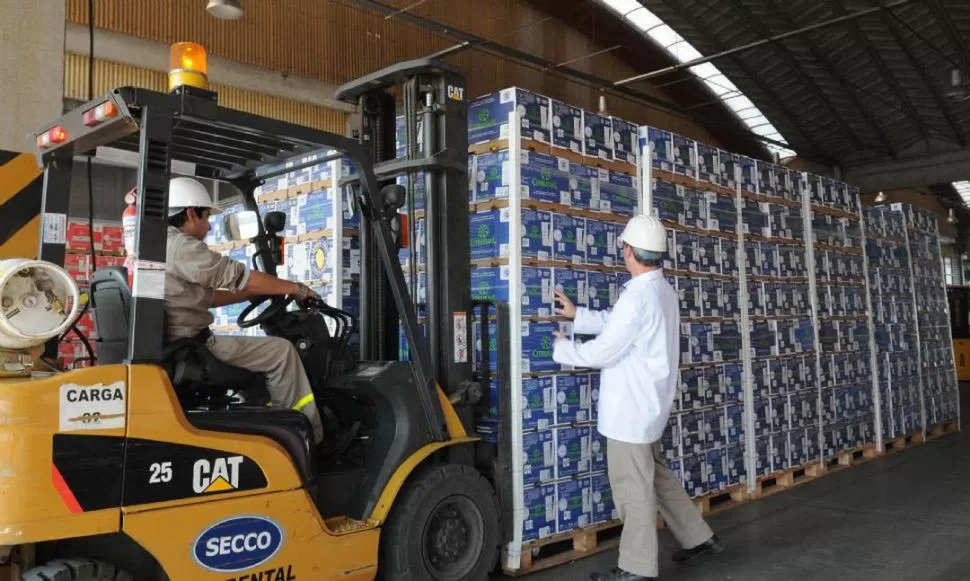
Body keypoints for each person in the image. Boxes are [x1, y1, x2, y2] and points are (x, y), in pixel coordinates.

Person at [551, 214, 721, 581]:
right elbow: (619, 324)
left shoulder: (638, 297)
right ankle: (699, 537)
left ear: (629, 251)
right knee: (657, 476)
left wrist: (564, 349)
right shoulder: (661, 290)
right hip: (651, 406)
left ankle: (636, 567)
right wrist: (578, 315)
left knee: (634, 488)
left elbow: (605, 351)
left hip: (630, 412)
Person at [163, 176, 324, 444]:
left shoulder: (159, 244)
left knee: (259, 365)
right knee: (281, 352)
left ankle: (261, 427)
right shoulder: (181, 246)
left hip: (179, 344)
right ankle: (306, 439)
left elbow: (208, 298)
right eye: (206, 217)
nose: (210, 224)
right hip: (192, 346)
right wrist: (296, 288)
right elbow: (238, 276)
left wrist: (258, 291)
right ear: (191, 213)